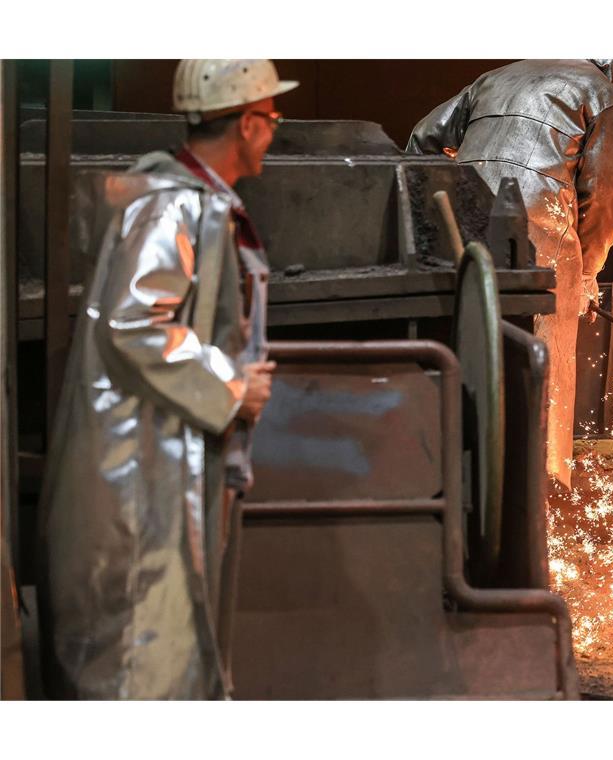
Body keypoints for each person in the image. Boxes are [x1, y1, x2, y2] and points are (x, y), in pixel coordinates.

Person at [38, 59, 295, 699]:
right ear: (248, 123)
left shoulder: (189, 198)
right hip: (140, 458)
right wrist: (232, 385)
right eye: (271, 115)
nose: (274, 128)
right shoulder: (172, 205)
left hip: (164, 447)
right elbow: (133, 323)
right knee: (142, 646)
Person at [407, 59, 613, 488]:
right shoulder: (601, 93)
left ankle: (452, 481)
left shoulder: (496, 78)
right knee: (544, 376)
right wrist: (588, 274)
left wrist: (439, 206)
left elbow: (421, 141)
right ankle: (541, 493)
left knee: (467, 356)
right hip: (542, 241)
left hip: (466, 232)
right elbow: (610, 198)